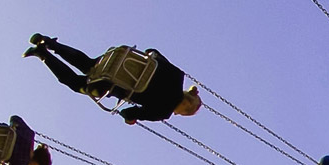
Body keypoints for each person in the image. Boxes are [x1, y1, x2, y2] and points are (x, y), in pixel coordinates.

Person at [25, 36, 202, 122]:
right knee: (76, 83)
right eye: (181, 113)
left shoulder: (177, 75)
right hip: (111, 84)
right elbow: (129, 113)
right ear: (185, 106)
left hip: (122, 60)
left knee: (89, 64)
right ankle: (43, 55)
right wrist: (129, 119)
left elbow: (152, 51)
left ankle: (51, 44)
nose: (176, 113)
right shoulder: (163, 112)